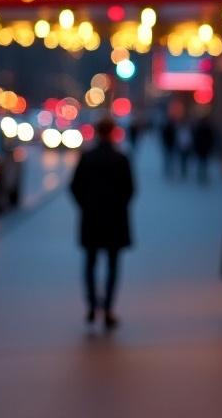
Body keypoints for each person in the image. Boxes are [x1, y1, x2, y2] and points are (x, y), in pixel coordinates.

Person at [69, 116, 135, 329]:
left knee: (90, 262)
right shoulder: (121, 158)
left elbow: (74, 186)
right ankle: (108, 308)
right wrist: (118, 206)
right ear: (112, 132)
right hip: (115, 220)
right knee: (113, 265)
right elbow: (130, 190)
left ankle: (91, 304)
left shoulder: (87, 157)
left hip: (91, 218)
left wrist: (86, 205)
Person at [192, 112, 217, 183]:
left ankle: (202, 175)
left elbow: (211, 139)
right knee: (203, 162)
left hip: (203, 148)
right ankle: (202, 175)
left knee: (202, 162)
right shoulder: (204, 129)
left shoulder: (203, 129)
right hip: (203, 148)